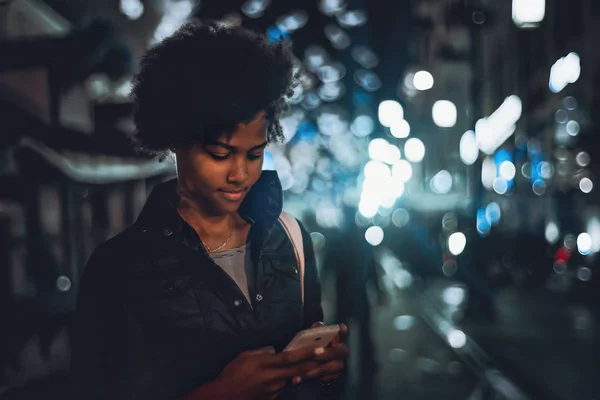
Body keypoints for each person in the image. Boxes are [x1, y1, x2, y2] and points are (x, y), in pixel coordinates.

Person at [68, 22, 348, 400]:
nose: (240, 175)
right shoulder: (119, 268)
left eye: (254, 153)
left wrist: (323, 368)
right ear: (174, 140)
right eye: (220, 154)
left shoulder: (291, 238)